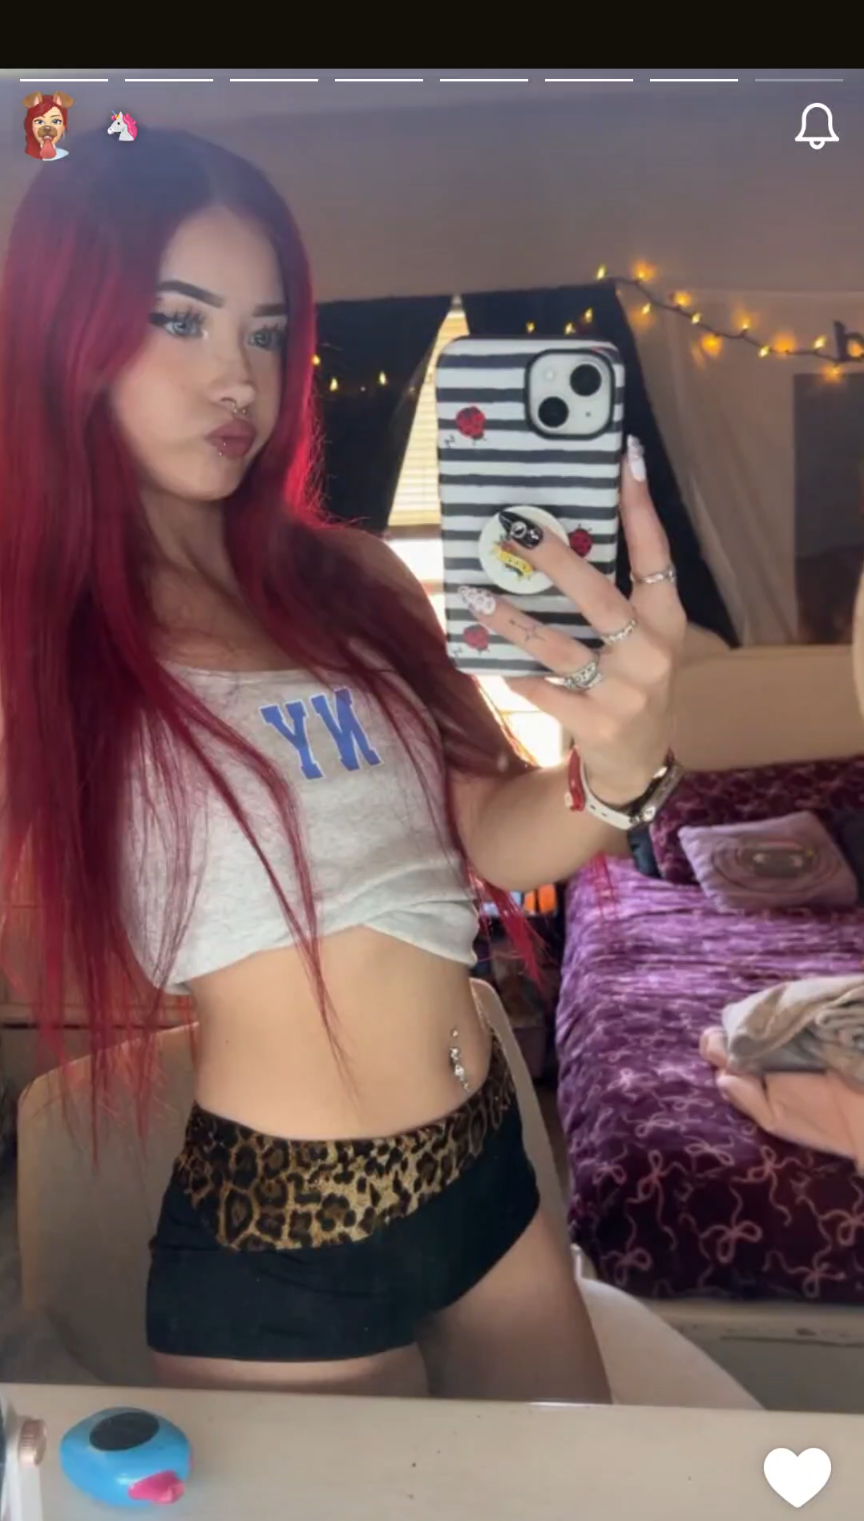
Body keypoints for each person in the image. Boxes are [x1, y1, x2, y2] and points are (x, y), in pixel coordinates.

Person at [0, 128, 687, 1404]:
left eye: (265, 333)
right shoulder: (40, 643)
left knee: (583, 1515)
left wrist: (617, 767)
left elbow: (492, 829)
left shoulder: (356, 577)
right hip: (286, 1225)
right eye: (178, 319)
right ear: (65, 334)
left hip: (485, 1162)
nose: (237, 379)